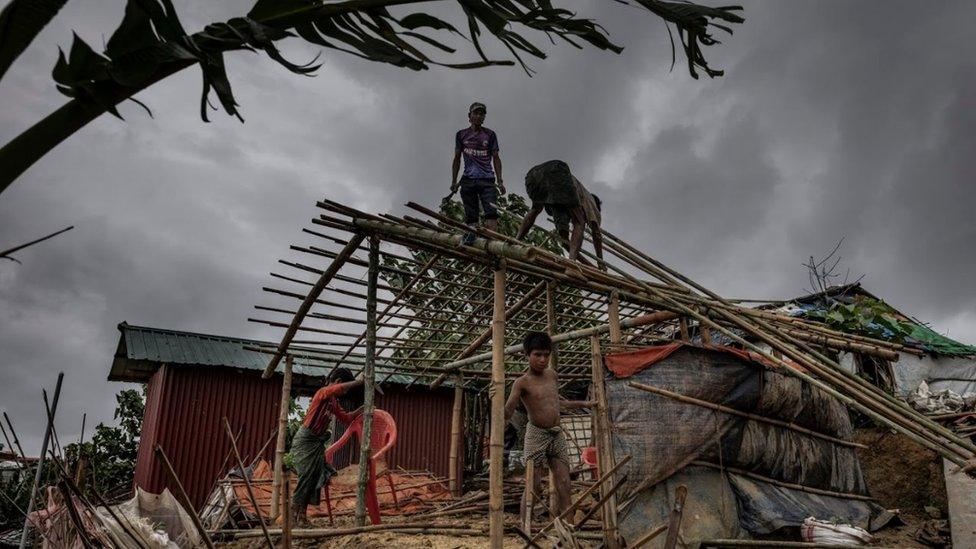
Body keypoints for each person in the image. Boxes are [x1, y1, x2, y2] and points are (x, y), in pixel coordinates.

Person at [504, 331, 595, 518]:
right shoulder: (521, 383)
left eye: (546, 355)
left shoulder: (552, 375)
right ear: (527, 355)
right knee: (534, 486)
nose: (543, 359)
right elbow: (508, 411)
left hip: (556, 433)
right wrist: (497, 399)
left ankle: (568, 526)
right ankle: (525, 525)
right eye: (537, 354)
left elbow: (556, 403)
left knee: (564, 482)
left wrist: (585, 404)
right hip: (536, 434)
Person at [291, 367, 363, 527]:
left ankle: (301, 517)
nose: (343, 394)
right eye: (342, 388)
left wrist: (361, 411)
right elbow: (337, 389)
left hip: (316, 442)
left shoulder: (333, 402)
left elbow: (346, 418)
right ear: (338, 382)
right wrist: (359, 382)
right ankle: (292, 516)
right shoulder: (323, 393)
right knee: (306, 477)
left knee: (314, 478)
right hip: (306, 440)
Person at [516, 159, 605, 269]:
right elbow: (596, 234)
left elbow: (565, 243)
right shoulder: (591, 202)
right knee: (579, 222)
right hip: (558, 171)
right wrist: (601, 264)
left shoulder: (562, 201)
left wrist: (589, 266)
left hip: (533, 175)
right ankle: (571, 264)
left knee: (536, 209)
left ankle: (516, 240)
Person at [451, 102, 505, 246]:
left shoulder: (489, 135)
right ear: (470, 116)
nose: (479, 116)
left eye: (482, 114)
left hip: (487, 180)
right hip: (468, 180)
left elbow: (496, 158)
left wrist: (500, 181)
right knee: (471, 215)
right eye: (476, 113)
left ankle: (492, 243)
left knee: (491, 213)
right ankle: (471, 240)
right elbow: (457, 158)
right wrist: (454, 182)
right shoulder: (461, 135)